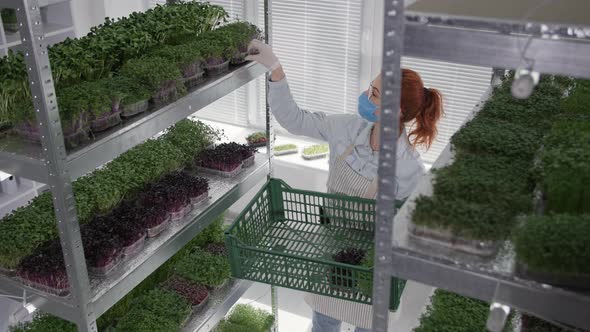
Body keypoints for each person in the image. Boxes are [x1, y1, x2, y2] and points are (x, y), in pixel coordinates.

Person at [246, 39, 443, 332]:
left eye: (374, 94)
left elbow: (408, 232)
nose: (365, 96)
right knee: (324, 322)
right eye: (370, 88)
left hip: (371, 268)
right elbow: (295, 120)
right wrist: (276, 70)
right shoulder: (347, 128)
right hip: (331, 249)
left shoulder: (408, 169)